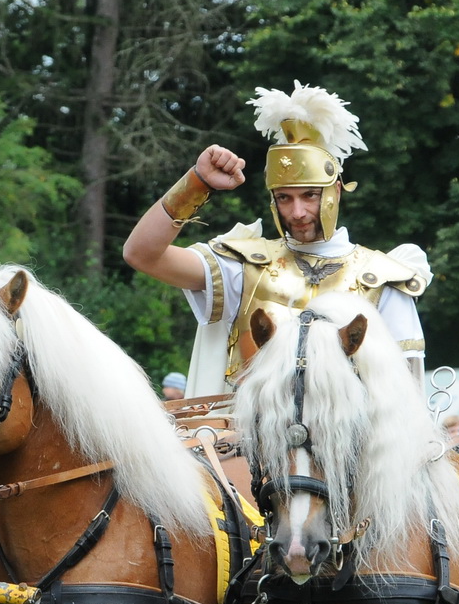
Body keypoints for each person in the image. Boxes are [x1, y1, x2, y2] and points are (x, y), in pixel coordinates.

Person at [122, 82, 428, 395]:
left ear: (335, 191)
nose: (297, 212)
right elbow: (142, 254)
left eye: (309, 195)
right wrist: (196, 184)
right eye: (284, 198)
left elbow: (404, 399)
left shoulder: (381, 280)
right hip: (242, 440)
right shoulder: (244, 268)